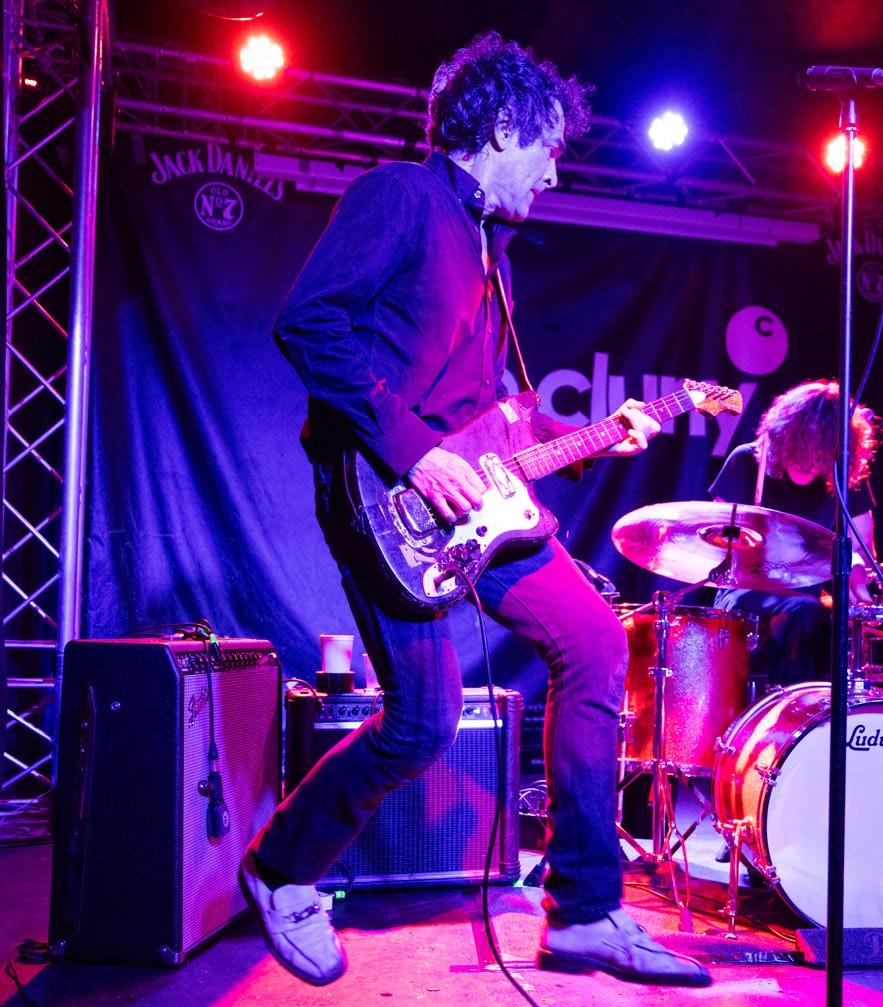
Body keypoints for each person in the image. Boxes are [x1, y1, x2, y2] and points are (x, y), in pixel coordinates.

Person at [239, 32, 711, 989]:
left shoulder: (494, 256)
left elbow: (495, 410)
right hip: (384, 497)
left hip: (481, 506)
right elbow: (309, 323)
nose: (552, 175)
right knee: (423, 721)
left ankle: (585, 912)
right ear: (502, 129)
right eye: (547, 151)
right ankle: (281, 868)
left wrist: (593, 436)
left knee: (595, 642)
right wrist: (414, 452)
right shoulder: (402, 198)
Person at [708, 379, 878, 686]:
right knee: (806, 612)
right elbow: (715, 538)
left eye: (820, 455)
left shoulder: (843, 476)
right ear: (784, 437)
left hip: (807, 596)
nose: (810, 465)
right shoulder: (747, 461)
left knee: (834, 622)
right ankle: (789, 707)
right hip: (743, 590)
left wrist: (860, 592)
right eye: (803, 451)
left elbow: (861, 548)